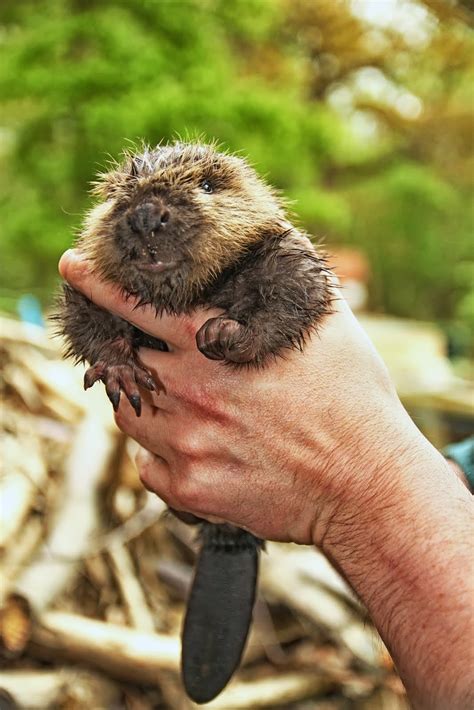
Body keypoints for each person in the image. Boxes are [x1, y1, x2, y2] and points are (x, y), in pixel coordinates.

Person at [59, 249, 474, 710]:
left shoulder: (270, 255)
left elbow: (303, 297)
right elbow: (79, 318)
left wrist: (355, 482)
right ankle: (226, 532)